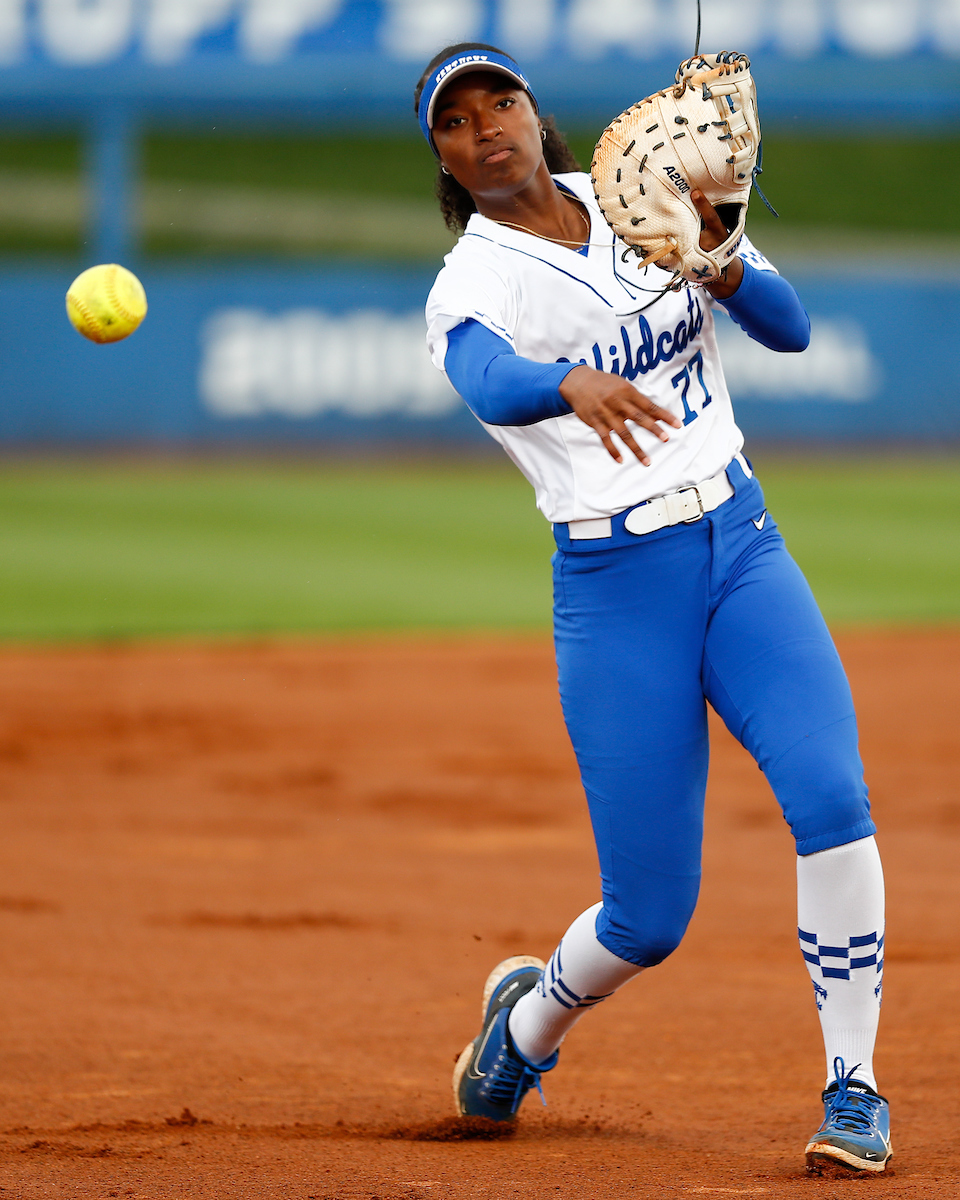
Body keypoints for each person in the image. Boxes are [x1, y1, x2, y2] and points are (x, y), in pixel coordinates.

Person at [415, 43, 891, 1176]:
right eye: (457, 120)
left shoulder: (646, 190)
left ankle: (855, 1088)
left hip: (740, 544)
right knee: (648, 919)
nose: (487, 127)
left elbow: (790, 326)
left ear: (538, 114)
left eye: (504, 102)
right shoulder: (472, 282)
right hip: (617, 588)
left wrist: (722, 256)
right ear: (439, 156)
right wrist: (564, 381)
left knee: (833, 797)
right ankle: (525, 1030)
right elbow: (485, 379)